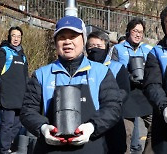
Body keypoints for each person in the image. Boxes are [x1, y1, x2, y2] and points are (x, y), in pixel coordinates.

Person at [20, 16, 123, 154]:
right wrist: (43, 128)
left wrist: (92, 127)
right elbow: (28, 111)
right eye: (62, 37)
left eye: (73, 36)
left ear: (83, 40)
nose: (67, 41)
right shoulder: (41, 75)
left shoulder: (101, 72)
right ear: (56, 42)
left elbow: (113, 107)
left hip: (92, 147)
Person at [111, 17, 153, 154]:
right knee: (126, 134)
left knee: (156, 126)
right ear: (129, 31)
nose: (138, 34)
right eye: (135, 31)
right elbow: (111, 69)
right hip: (126, 94)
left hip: (144, 94)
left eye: (141, 32)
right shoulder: (117, 48)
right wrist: (127, 75)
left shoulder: (148, 49)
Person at [86, 30, 129, 153]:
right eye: (91, 46)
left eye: (99, 46)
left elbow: (124, 91)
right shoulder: (82, 68)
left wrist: (107, 104)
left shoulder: (117, 67)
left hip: (113, 121)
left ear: (106, 47)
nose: (95, 50)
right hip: (88, 120)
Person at [0, 26, 29, 154]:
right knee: (7, 124)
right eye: (14, 36)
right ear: (9, 37)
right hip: (7, 96)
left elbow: (26, 77)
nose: (16, 39)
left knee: (18, 125)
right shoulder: (3, 52)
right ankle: (4, 150)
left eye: (18, 36)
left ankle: (8, 145)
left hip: (21, 96)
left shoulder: (23, 55)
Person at [143, 5, 167, 154]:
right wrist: (164, 107)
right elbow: (152, 84)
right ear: (163, 25)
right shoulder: (156, 52)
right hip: (165, 118)